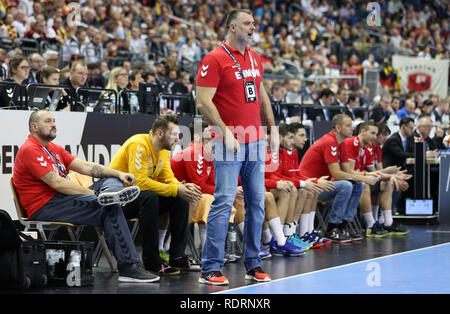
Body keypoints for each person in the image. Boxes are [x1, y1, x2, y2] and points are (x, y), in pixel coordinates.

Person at [12, 110, 157, 283]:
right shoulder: (30, 149)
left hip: (60, 200)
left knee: (110, 179)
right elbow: (58, 183)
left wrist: (118, 173)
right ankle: (129, 267)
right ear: (34, 127)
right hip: (45, 206)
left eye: (54, 120)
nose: (53, 124)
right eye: (48, 121)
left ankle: (109, 195)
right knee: (108, 207)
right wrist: (94, 195)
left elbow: (85, 166)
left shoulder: (52, 148)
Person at [195, 9, 279, 285]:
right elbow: (203, 102)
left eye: (254, 23)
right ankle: (211, 267)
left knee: (257, 202)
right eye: (247, 23)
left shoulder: (254, 57)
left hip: (255, 140)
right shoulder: (215, 58)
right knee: (224, 201)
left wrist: (272, 128)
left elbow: (262, 95)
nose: (253, 27)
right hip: (228, 142)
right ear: (232, 27)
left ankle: (253, 264)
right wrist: (224, 132)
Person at [109, 114, 203, 276]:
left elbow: (168, 178)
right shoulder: (138, 144)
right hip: (119, 199)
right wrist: (176, 189)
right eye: (173, 134)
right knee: (150, 197)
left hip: (139, 198)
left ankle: (178, 257)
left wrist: (181, 187)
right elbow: (138, 183)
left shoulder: (163, 151)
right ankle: (152, 261)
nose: (177, 139)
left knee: (180, 197)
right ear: (160, 133)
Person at [299, 114, 379, 243]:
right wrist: (364, 177)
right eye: (348, 126)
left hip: (323, 183)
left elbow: (347, 171)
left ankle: (343, 225)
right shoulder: (329, 142)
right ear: (338, 128)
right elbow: (337, 174)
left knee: (357, 184)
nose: (352, 128)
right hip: (311, 186)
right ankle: (332, 228)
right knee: (346, 185)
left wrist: (363, 177)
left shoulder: (341, 143)